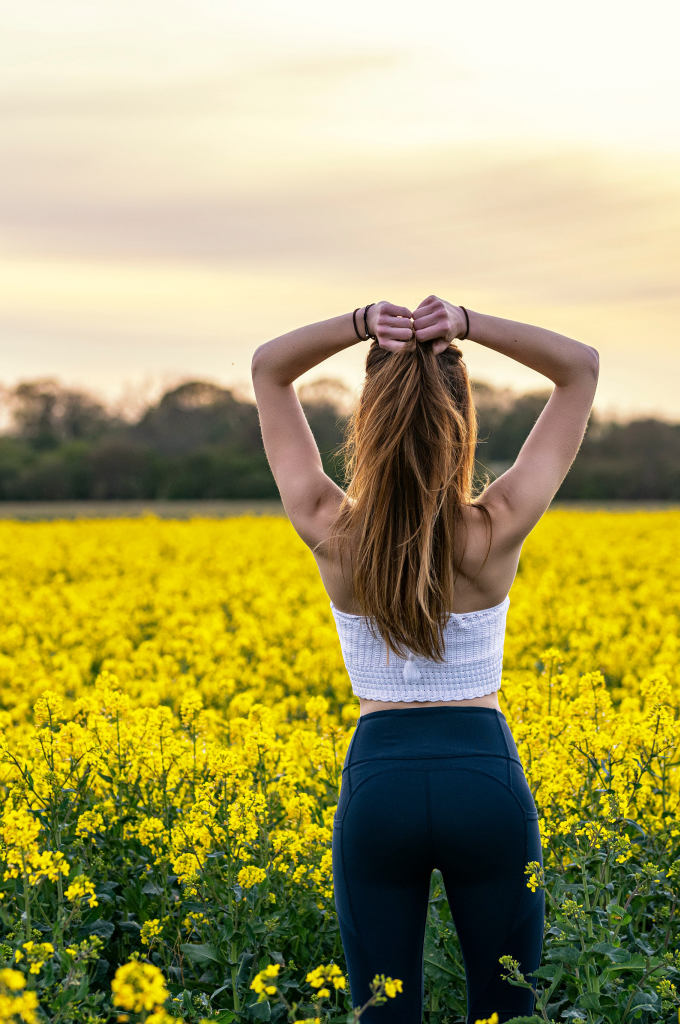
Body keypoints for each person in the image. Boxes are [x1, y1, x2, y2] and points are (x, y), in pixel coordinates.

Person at [251, 296, 599, 1024]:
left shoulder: (328, 528)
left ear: (366, 422)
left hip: (380, 787)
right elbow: (579, 370)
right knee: (507, 1012)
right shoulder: (495, 529)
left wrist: (358, 324)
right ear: (463, 420)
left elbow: (268, 371)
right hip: (485, 782)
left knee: (384, 1016)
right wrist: (465, 324)